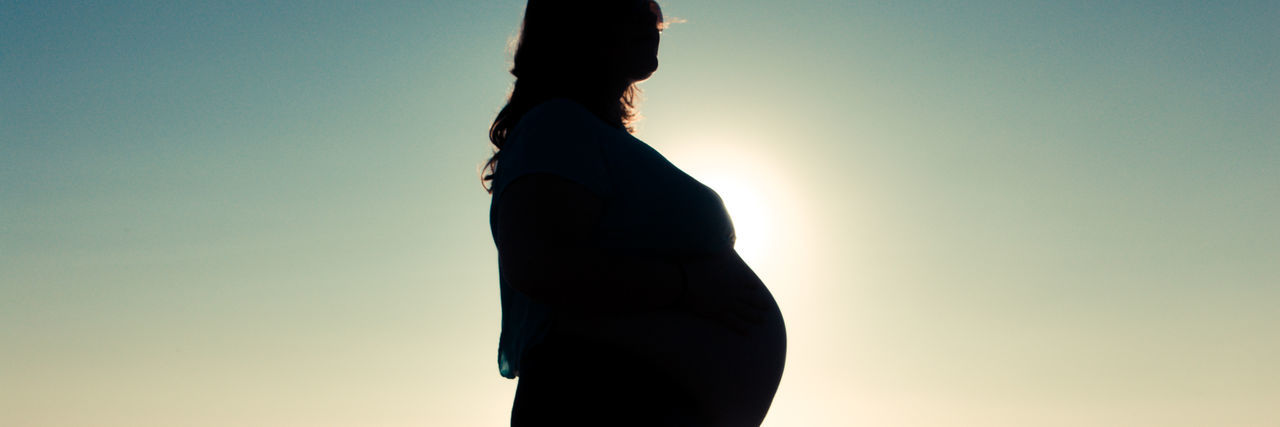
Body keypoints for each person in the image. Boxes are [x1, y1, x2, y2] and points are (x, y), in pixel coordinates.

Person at [483, 1, 786, 425]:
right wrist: (685, 287)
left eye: (650, 7)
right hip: (598, 398)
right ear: (574, 23)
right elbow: (540, 265)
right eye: (627, 5)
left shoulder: (593, 137)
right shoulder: (555, 126)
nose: (651, 17)